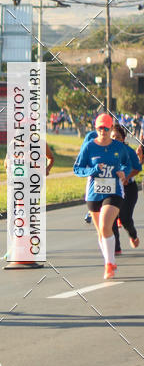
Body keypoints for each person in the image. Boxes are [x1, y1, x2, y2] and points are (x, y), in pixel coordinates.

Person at [73, 113, 131, 280]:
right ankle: (109, 261)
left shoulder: (118, 147)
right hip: (94, 193)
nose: (103, 131)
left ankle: (109, 264)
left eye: (106, 128)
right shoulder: (89, 146)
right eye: (100, 128)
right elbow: (77, 168)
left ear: (111, 128)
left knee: (106, 225)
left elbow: (128, 163)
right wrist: (93, 170)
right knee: (101, 232)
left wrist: (124, 172)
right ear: (95, 128)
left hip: (114, 191)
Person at [110, 123, 141, 253]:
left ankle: (133, 235)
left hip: (128, 188)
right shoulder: (106, 150)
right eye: (112, 136)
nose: (115, 139)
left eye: (118, 137)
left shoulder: (128, 151)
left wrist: (127, 177)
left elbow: (137, 168)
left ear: (123, 138)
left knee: (125, 218)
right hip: (112, 188)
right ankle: (115, 247)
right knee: (111, 218)